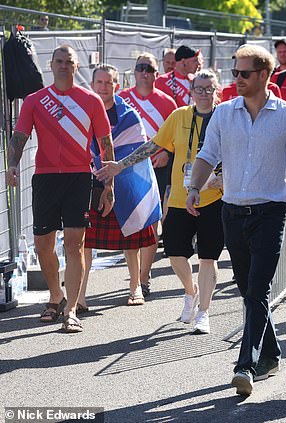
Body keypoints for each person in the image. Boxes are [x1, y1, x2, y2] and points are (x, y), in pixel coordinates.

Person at [184, 45, 286, 396]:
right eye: (235, 72)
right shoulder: (224, 114)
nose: (236, 79)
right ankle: (271, 353)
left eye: (243, 73)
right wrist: (194, 188)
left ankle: (246, 365)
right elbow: (207, 155)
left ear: (263, 76)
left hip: (271, 212)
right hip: (232, 211)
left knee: (258, 289)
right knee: (248, 291)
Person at [98, 70, 224, 334]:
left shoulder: (225, 117)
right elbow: (153, 146)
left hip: (214, 198)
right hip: (180, 197)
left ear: (216, 91)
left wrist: (222, 178)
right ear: (191, 91)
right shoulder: (179, 117)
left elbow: (237, 152)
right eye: (198, 89)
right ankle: (191, 292)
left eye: (208, 89)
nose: (203, 94)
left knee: (208, 257)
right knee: (176, 254)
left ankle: (203, 312)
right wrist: (120, 166)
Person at [6, 45, 113, 333]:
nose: (64, 66)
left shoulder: (91, 100)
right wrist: (12, 164)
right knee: (43, 243)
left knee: (75, 242)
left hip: (79, 177)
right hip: (46, 177)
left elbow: (106, 143)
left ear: (76, 67)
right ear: (50, 65)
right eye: (59, 61)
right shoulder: (35, 100)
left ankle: (71, 309)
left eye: (69, 62)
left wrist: (109, 185)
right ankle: (55, 294)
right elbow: (19, 136)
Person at [80, 65, 160, 308]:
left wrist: (115, 176)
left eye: (109, 83)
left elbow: (137, 151)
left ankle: (135, 286)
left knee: (131, 241)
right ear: (92, 85)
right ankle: (79, 296)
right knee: (83, 241)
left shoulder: (129, 116)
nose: (104, 87)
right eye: (99, 82)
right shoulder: (83, 113)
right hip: (89, 183)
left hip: (124, 184)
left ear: (117, 86)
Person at [119, 53, 178, 297]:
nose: (145, 72)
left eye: (150, 69)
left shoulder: (167, 102)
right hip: (128, 171)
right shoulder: (122, 99)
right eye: (140, 68)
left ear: (157, 73)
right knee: (131, 222)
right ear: (134, 72)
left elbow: (177, 135)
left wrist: (166, 152)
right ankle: (136, 277)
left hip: (159, 168)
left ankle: (144, 277)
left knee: (153, 224)